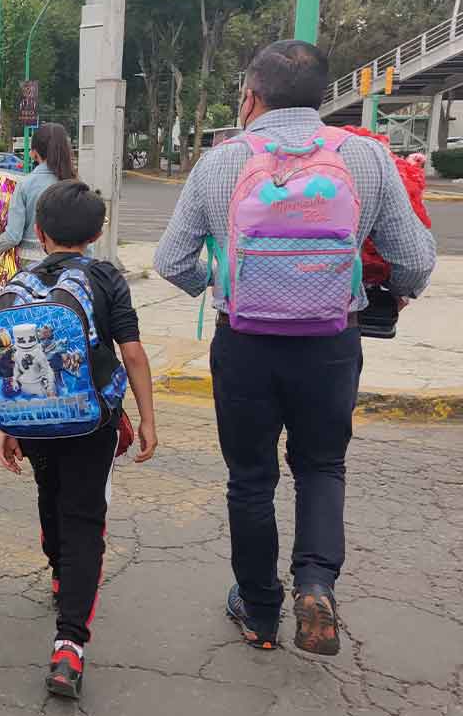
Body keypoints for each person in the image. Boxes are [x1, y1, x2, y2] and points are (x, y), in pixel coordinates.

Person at [154, 40, 437, 654]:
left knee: (250, 480)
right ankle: (315, 581)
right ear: (321, 96)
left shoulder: (221, 162)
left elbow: (171, 261)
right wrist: (396, 293)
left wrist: (223, 285)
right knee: (320, 466)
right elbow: (415, 259)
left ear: (251, 97)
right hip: (330, 342)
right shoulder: (364, 156)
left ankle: (259, 612)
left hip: (245, 343)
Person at [0, 180, 158, 698]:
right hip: (90, 423)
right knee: (85, 517)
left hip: (32, 421)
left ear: (39, 232)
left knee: (50, 493)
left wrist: (4, 426)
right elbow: (131, 354)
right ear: (98, 231)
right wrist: (147, 418)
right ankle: (69, 646)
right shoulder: (107, 278)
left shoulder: (19, 285)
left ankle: (59, 572)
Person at [0, 123, 85, 266]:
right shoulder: (76, 184)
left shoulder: (24, 185)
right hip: (70, 265)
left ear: (34, 153)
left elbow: (13, 236)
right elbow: (85, 233)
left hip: (31, 266)